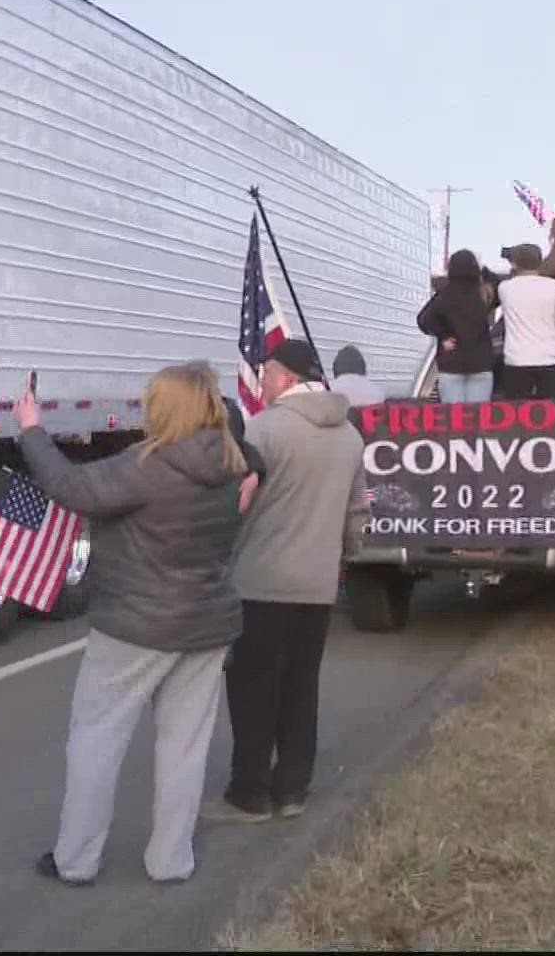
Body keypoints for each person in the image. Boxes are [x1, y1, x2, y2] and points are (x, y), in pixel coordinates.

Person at [18, 362, 261, 887]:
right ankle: (171, 860)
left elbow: (70, 486)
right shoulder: (230, 460)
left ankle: (76, 860)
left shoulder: (149, 465)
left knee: (96, 739)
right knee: (184, 748)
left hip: (135, 624)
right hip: (206, 623)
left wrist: (32, 429)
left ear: (165, 408)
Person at [212, 339, 367, 823]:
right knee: (301, 687)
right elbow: (355, 511)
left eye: (267, 371)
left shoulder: (264, 429)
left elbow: (239, 499)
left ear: (285, 377)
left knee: (253, 687)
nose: (263, 379)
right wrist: (344, 558)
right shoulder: (350, 436)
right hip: (317, 584)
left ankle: (250, 791)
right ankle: (293, 788)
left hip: (261, 580)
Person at [495, 243, 555, 399]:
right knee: (552, 418)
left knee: (518, 417)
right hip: (550, 360)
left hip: (516, 361)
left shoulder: (505, 288)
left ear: (514, 264)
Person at [417, 249, 498, 403]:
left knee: (454, 420)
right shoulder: (484, 294)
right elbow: (498, 284)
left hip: (451, 362)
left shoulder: (445, 295)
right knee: (478, 418)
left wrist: (443, 336)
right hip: (480, 363)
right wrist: (484, 269)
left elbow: (423, 320)